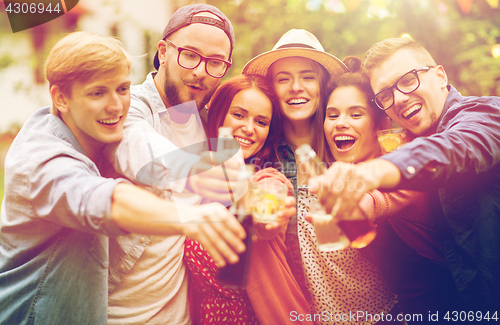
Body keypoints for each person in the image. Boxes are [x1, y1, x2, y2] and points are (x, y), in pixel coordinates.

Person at [0, 31, 245, 325]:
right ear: (61, 98)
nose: (116, 106)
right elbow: (100, 199)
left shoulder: (92, 130)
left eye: (122, 89)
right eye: (97, 93)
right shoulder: (41, 161)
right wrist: (190, 217)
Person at [102, 4, 293, 324]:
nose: (201, 71)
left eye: (216, 62)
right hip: (118, 311)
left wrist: (268, 205)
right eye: (189, 54)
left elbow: (261, 182)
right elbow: (142, 155)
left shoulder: (202, 120)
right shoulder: (130, 105)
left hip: (182, 313)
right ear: (163, 52)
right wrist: (213, 171)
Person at [315, 37, 500, 312]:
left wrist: (373, 173)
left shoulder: (482, 113)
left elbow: (456, 148)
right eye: (386, 95)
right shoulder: (404, 141)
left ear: (440, 76)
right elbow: (384, 197)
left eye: (408, 79)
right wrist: (359, 205)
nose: (399, 98)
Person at [243, 30, 397, 324]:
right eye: (283, 79)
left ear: (322, 85)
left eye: (307, 77)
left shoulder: (350, 144)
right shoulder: (263, 155)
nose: (295, 88)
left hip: (381, 310)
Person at [324, 56, 461, 321]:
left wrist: (361, 204)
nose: (341, 122)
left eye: (355, 114)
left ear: (381, 124)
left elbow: (389, 193)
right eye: (332, 115)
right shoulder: (340, 170)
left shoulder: (406, 158)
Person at [185, 73, 312, 324]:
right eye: (239, 115)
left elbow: (267, 215)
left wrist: (264, 209)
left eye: (261, 122)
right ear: (218, 115)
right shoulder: (193, 178)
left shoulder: (269, 179)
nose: (249, 128)